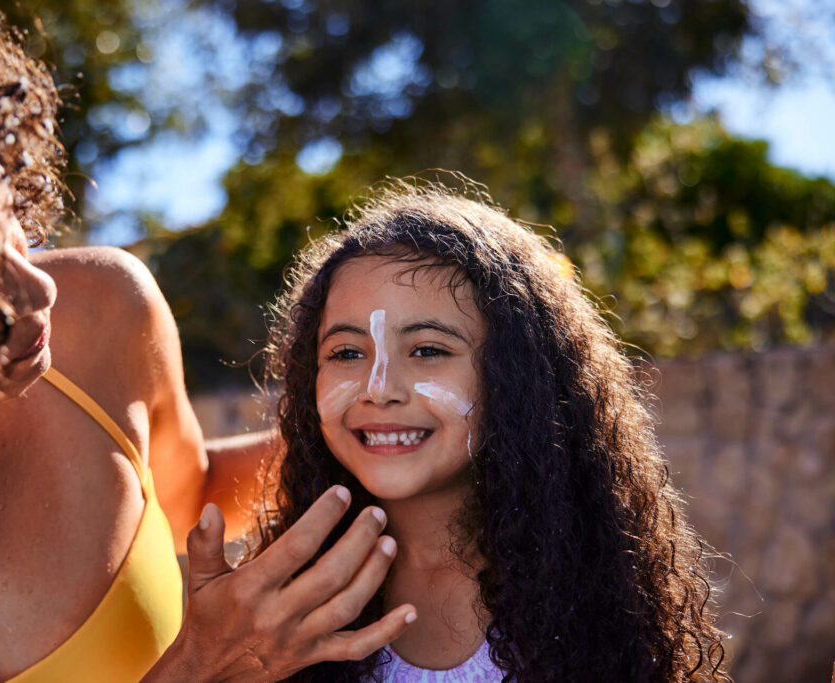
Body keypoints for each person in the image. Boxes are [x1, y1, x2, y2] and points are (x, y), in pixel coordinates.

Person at [0, 1, 416, 680]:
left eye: (7, 219)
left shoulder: (99, 313)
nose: (35, 292)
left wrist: (377, 436)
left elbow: (192, 492)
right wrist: (200, 665)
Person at [252, 179, 730, 681]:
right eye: (347, 353)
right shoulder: (280, 599)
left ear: (517, 377)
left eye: (428, 350)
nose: (380, 388)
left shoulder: (600, 583)